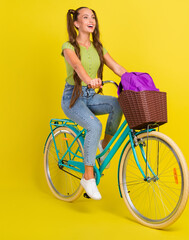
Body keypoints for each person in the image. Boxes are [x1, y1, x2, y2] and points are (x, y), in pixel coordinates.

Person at [61, 7, 127, 200]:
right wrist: (89, 79)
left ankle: (103, 146)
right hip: (73, 98)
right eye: (85, 17)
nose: (91, 20)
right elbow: (76, 65)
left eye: (93, 17)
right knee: (94, 125)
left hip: (91, 96)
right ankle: (88, 178)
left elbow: (116, 67)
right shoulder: (68, 46)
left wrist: (136, 80)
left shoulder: (98, 48)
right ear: (76, 23)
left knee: (117, 104)